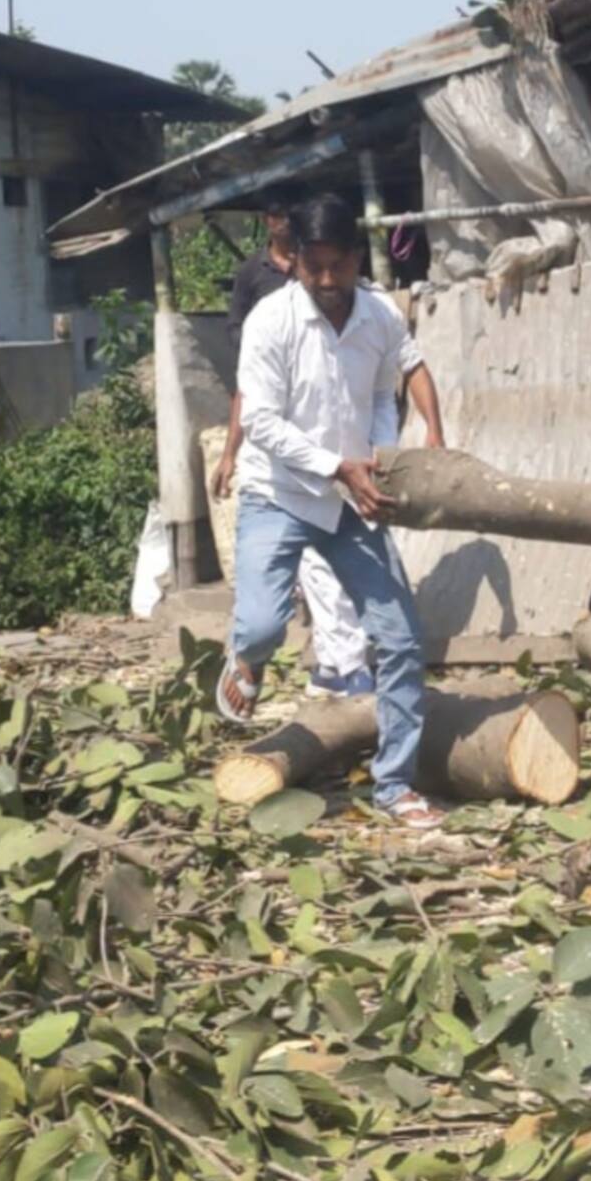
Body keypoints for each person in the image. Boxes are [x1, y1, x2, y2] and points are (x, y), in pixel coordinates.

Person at [216, 192, 444, 829]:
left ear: (356, 259)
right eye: (311, 267)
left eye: (337, 267)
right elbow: (259, 419)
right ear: (295, 261)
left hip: (349, 501)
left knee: (400, 640)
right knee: (262, 627)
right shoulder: (270, 320)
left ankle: (394, 786)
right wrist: (332, 464)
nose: (325, 281)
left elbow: (380, 393)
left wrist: (374, 455)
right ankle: (246, 657)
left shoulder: (378, 317)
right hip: (278, 492)